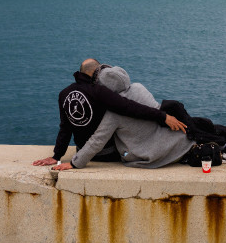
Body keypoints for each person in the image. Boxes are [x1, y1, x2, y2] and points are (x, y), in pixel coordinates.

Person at [32, 58, 187, 167]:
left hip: (81, 150)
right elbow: (128, 107)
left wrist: (56, 156)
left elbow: (65, 128)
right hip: (107, 153)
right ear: (97, 74)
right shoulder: (99, 91)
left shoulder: (64, 94)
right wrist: (163, 116)